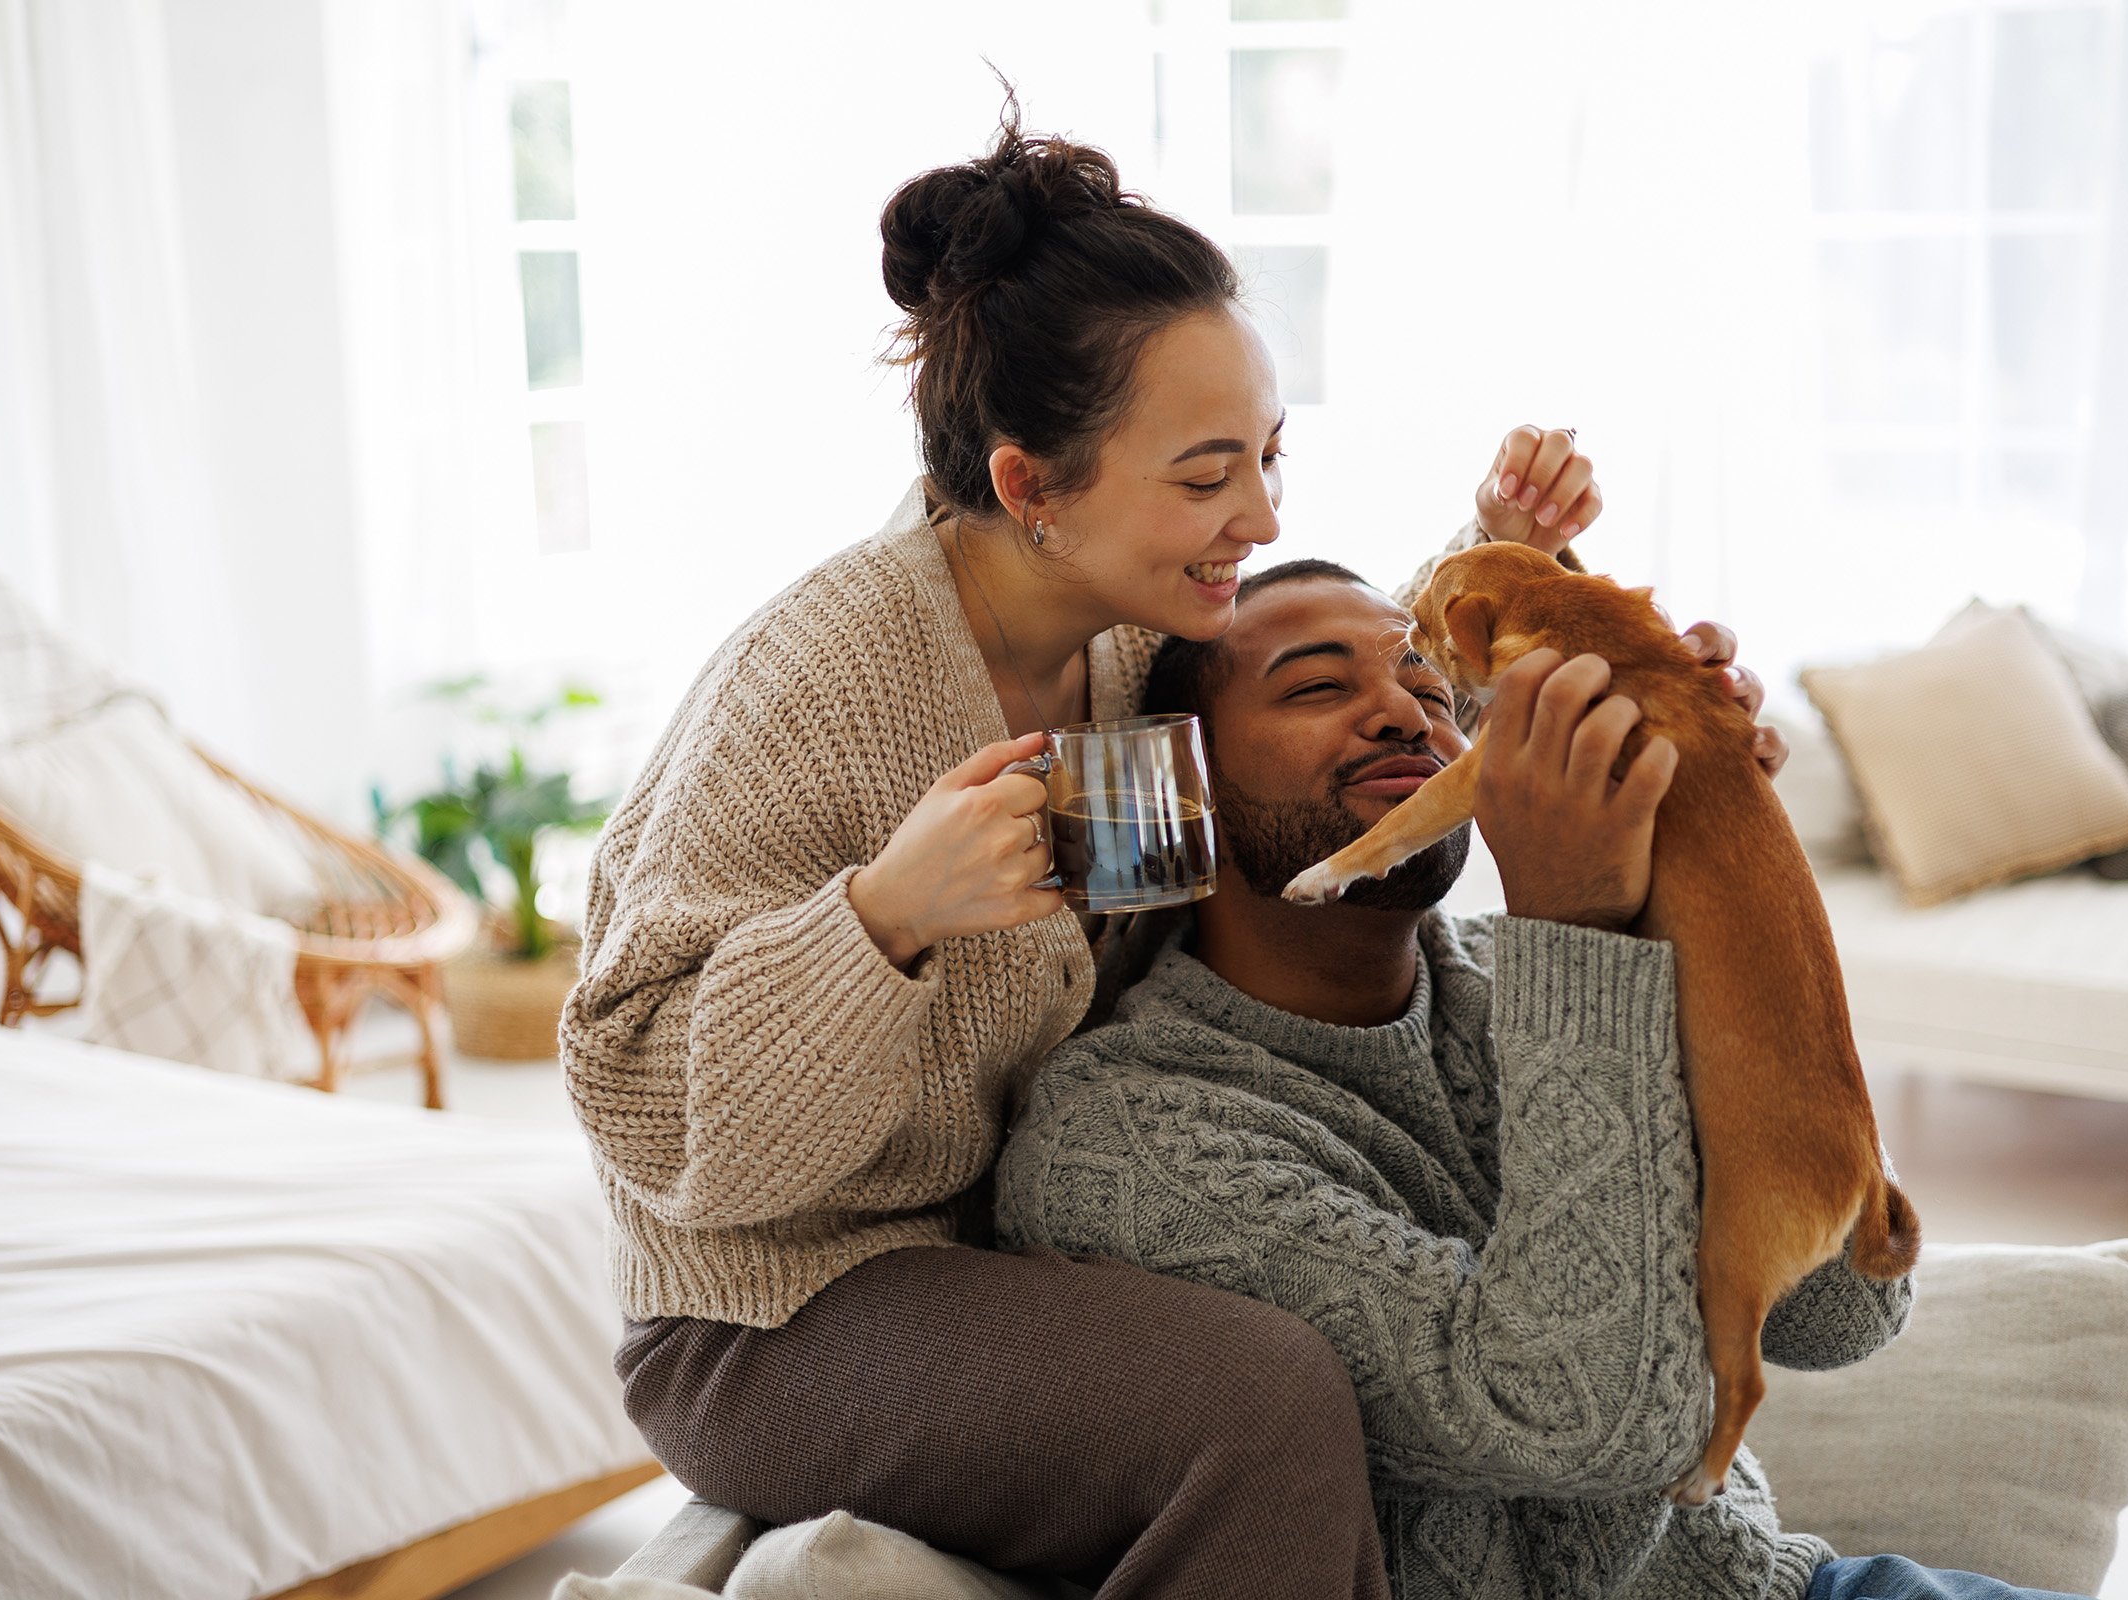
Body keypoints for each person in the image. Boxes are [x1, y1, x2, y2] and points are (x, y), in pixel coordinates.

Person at [561, 100, 1768, 1599]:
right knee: (1259, 1403)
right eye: (1207, 478)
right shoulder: (812, 690)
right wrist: (878, 923)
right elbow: (646, 1113)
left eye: (1267, 457)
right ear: (1026, 488)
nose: (1259, 517)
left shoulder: (1132, 631)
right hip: (781, 1305)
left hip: (1012, 1226)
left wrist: (1495, 559)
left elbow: (1291, 711)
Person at [992, 561, 2085, 1600]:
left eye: (1428, 681)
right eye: (1321, 685)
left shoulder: (1538, 968)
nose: (1405, 714)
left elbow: (1846, 1310)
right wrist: (1575, 935)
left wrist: (1704, 872)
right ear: (1187, 779)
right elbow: (1577, 1416)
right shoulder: (1127, 1133)